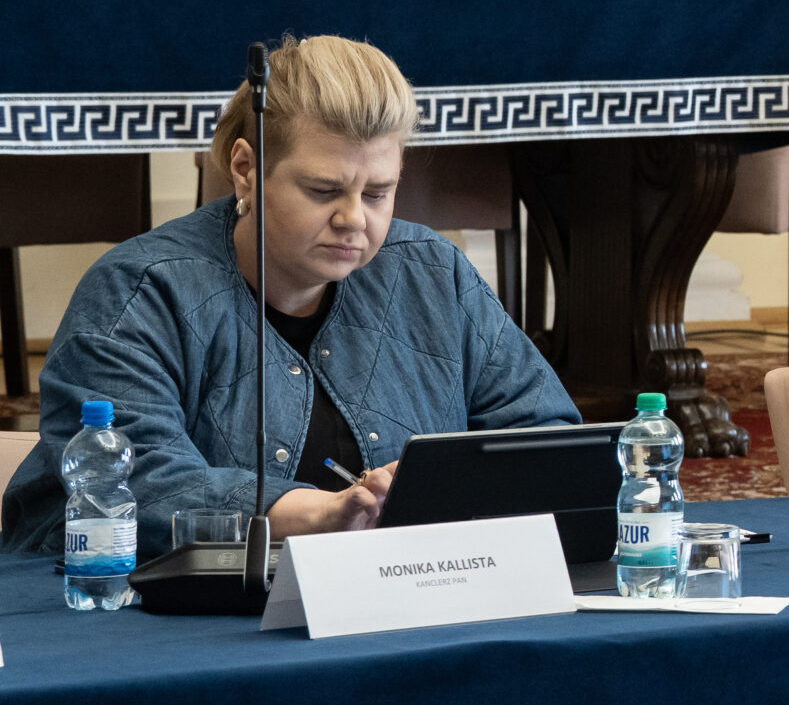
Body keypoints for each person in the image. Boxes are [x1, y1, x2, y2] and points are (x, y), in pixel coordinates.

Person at [3, 35, 578, 555]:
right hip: (133, 609)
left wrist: (447, 490)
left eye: (378, 193)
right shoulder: (139, 291)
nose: (353, 219)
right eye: (324, 190)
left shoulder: (434, 275)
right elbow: (135, 479)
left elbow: (549, 440)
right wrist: (322, 513)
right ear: (246, 169)